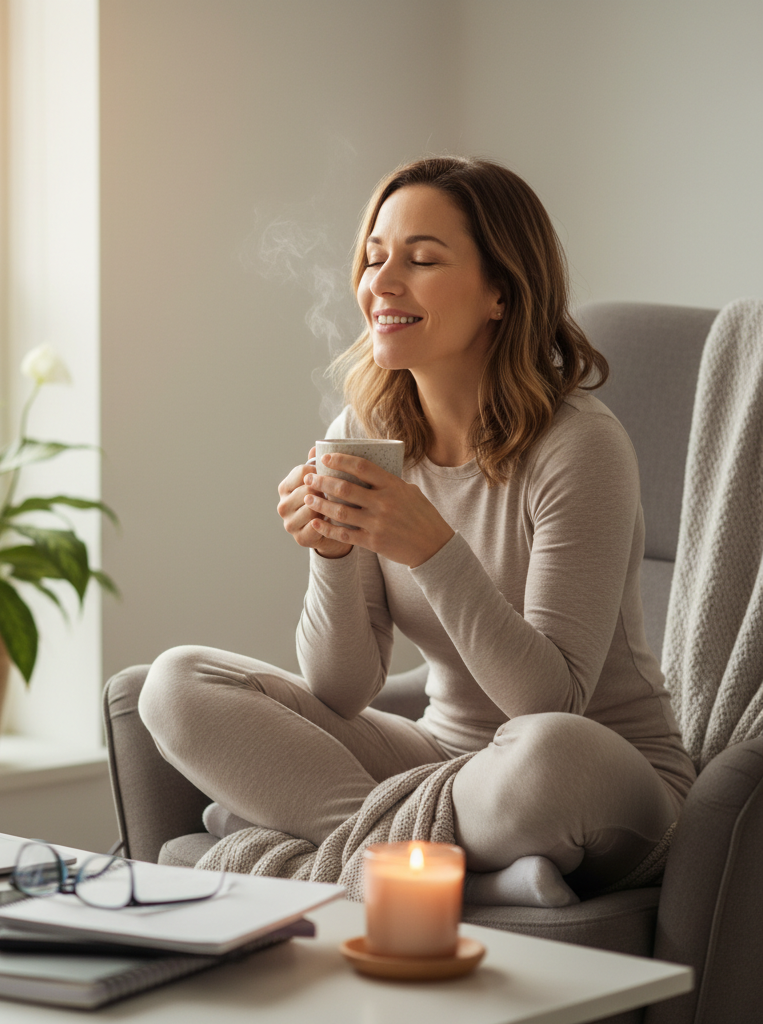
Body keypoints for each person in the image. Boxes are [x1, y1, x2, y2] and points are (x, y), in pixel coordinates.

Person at [138, 156, 695, 901]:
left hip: (592, 769)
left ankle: (330, 849)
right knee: (173, 684)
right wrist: (332, 552)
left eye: (422, 259)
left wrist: (431, 548)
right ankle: (442, 876)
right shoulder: (365, 430)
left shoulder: (578, 445)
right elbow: (341, 688)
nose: (381, 284)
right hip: (439, 762)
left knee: (548, 756)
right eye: (373, 259)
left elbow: (549, 702)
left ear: (501, 291)